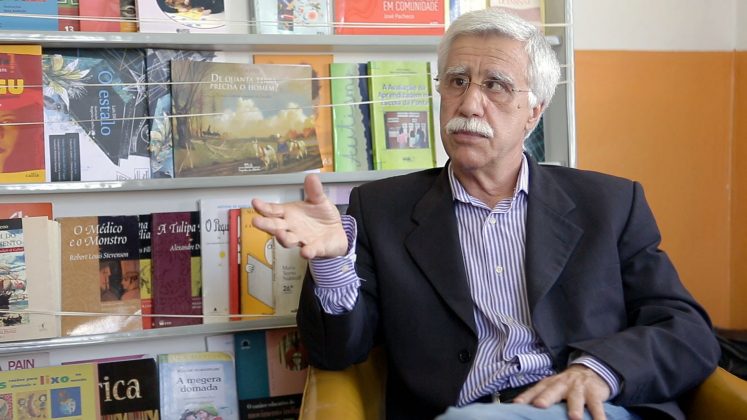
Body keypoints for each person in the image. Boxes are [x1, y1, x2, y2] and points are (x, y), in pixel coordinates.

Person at [251, 8, 720, 420]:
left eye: (495, 85)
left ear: (534, 111)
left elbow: (686, 330)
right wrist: (331, 263)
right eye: (457, 81)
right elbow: (334, 353)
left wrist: (598, 371)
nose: (470, 104)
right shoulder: (381, 210)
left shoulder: (610, 204)